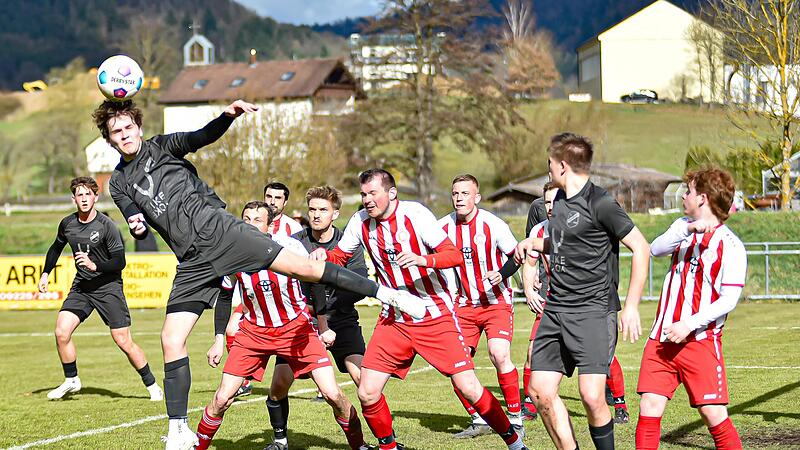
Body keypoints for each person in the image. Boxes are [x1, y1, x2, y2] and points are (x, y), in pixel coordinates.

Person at [94, 99, 424, 450]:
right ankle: (178, 429)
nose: (125, 134)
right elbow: (135, 217)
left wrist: (228, 116)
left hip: (222, 233)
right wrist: (136, 224)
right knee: (170, 339)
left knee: (307, 269)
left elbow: (201, 136)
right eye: (117, 132)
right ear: (110, 139)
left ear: (139, 128)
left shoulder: (162, 146)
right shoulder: (117, 182)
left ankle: (389, 294)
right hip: (191, 260)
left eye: (129, 127)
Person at [314, 169, 528, 450]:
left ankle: (514, 443)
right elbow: (340, 256)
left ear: (391, 193)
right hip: (394, 318)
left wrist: (422, 259)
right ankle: (389, 447)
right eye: (363, 194)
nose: (367, 199)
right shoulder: (360, 221)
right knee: (367, 392)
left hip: (434, 314)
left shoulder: (415, 215)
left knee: (469, 387)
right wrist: (324, 256)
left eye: (372, 193)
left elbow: (453, 256)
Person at [195, 201, 372, 450]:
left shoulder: (290, 247)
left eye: (257, 219)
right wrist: (217, 339)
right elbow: (225, 296)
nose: (250, 224)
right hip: (253, 332)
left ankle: (360, 445)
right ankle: (198, 447)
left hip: (296, 330)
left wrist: (322, 327)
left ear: (270, 225)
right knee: (222, 398)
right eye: (246, 219)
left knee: (333, 394)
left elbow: (316, 284)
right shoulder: (232, 252)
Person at [515, 133, 650, 450]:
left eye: (549, 164)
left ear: (562, 166)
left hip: (592, 311)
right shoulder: (558, 203)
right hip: (555, 310)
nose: (547, 170)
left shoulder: (600, 202)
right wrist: (535, 243)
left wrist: (630, 307)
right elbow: (566, 242)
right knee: (540, 391)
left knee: (591, 396)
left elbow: (641, 248)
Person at [635, 168, 746, 450]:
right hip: (661, 338)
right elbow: (656, 249)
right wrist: (687, 229)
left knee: (713, 414)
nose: (684, 195)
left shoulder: (731, 245)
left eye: (689, 191)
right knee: (649, 405)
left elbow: (728, 299)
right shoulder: (680, 225)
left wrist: (689, 324)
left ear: (703, 198)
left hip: (700, 342)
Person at [264, 185, 372, 449]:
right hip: (302, 324)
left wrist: (327, 309)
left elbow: (359, 285)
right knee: (278, 386)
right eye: (312, 209)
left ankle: (383, 440)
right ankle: (280, 441)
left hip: (342, 320)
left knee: (366, 384)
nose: (316, 215)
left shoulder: (348, 242)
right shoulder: (296, 242)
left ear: (335, 214)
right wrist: (311, 310)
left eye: (323, 210)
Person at [38, 176, 162, 402]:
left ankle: (152, 384)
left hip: (108, 288)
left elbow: (119, 261)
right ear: (73, 198)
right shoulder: (67, 224)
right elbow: (55, 249)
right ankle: (71, 380)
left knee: (123, 340)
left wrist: (96, 265)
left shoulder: (107, 226)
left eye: (88, 194)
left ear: (95, 197)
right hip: (82, 287)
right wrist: (45, 273)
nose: (84, 199)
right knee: (61, 331)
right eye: (79, 195)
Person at [523, 182, 630, 425]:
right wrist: (529, 290)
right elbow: (530, 263)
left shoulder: (583, 224)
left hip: (588, 304)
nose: (551, 207)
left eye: (555, 201)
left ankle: (620, 402)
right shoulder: (538, 231)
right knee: (532, 353)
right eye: (547, 202)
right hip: (553, 301)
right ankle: (529, 404)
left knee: (603, 358)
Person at [438, 174, 524, 438]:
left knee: (499, 355)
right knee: (455, 365)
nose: (459, 198)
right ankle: (479, 419)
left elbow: (516, 256)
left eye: (465, 193)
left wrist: (501, 273)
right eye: (456, 193)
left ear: (477, 197)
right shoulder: (442, 227)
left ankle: (516, 419)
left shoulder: (493, 224)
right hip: (463, 306)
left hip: (495, 303)